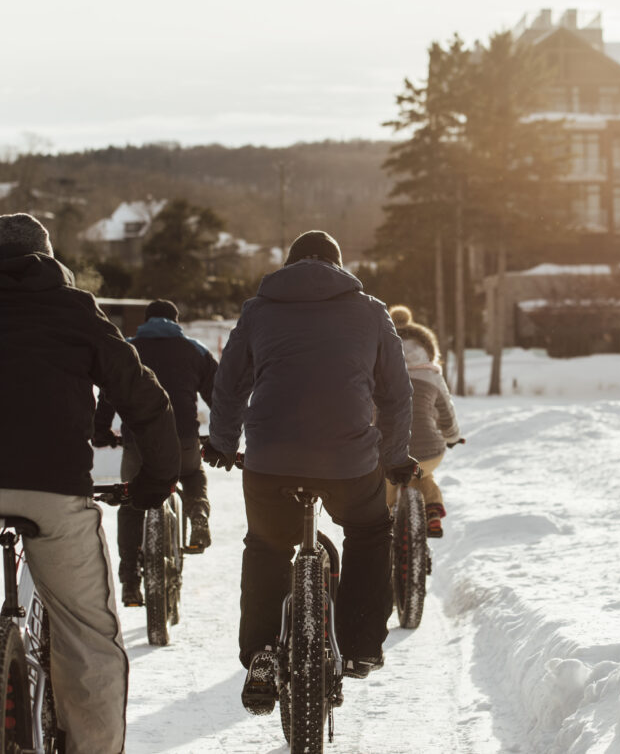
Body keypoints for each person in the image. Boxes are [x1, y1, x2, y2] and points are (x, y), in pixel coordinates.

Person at [202, 229, 414, 714]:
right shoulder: (370, 310)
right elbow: (396, 394)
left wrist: (221, 443)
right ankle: (360, 644)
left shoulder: (259, 309)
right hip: (349, 459)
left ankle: (260, 654)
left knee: (266, 545)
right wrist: (396, 455)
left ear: (289, 265)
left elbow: (229, 383)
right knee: (368, 531)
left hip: (271, 458)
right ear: (338, 265)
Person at [0, 213, 180, 754]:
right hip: (51, 488)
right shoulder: (76, 310)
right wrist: (156, 481)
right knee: (88, 639)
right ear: (49, 259)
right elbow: (146, 400)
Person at [93, 298, 218, 606]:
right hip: (184, 438)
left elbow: (109, 395)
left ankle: (131, 579)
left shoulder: (128, 348)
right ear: (176, 321)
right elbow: (218, 395)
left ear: (145, 321)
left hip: (141, 444)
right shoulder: (196, 350)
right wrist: (221, 437)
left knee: (131, 499)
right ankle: (198, 514)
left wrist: (102, 431)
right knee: (192, 473)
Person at [387, 305, 461, 537]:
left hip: (389, 451)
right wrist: (452, 437)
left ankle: (384, 521)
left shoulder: (379, 372)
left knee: (385, 481)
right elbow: (447, 412)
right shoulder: (432, 374)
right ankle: (433, 512)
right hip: (429, 451)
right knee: (423, 473)